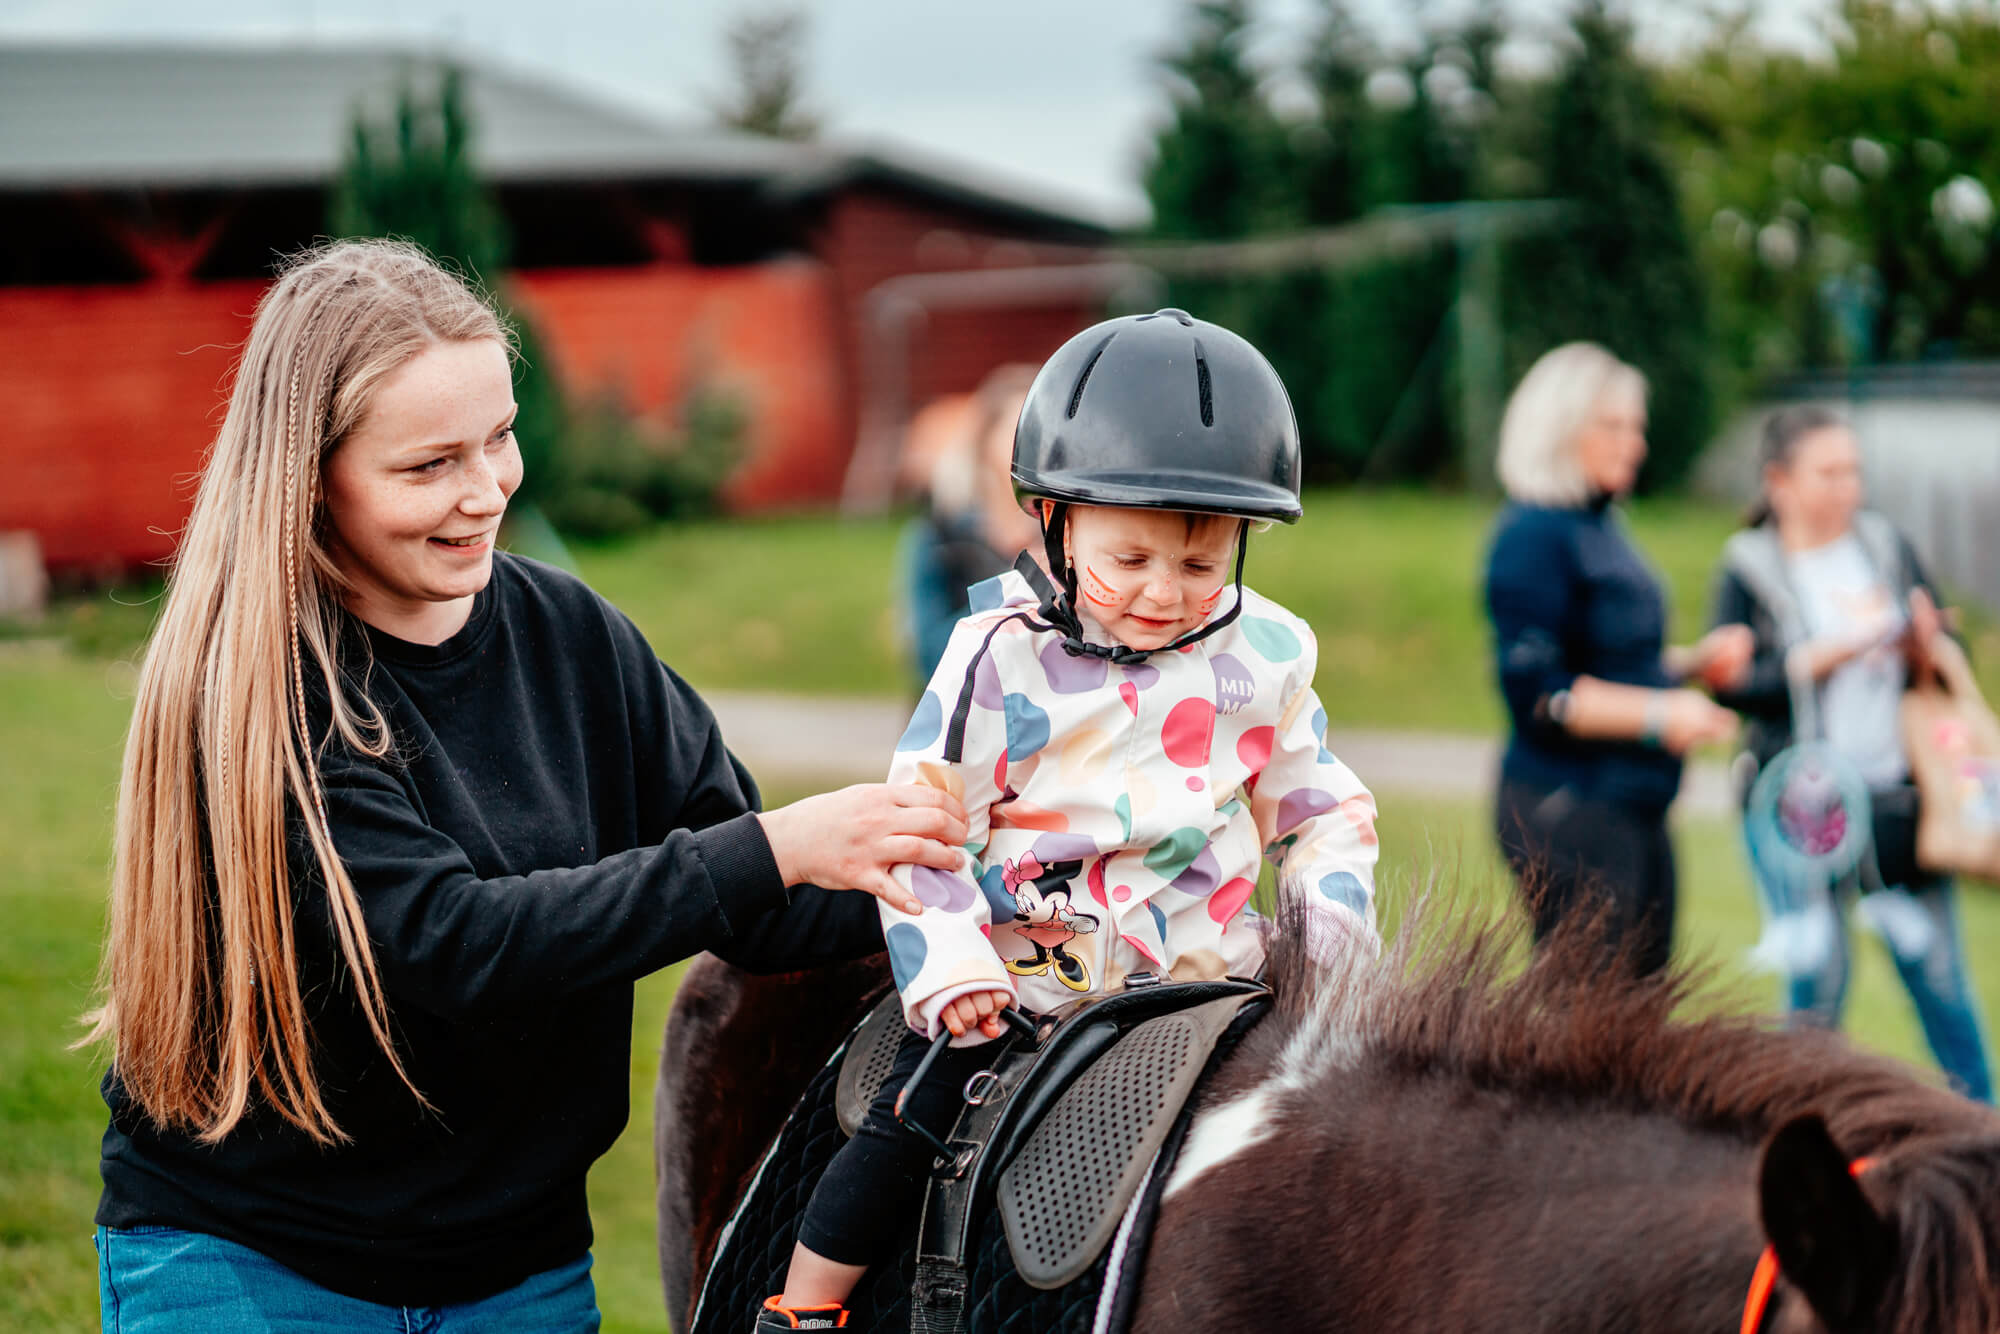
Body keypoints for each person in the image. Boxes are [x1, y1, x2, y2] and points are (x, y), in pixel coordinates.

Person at [82, 239, 971, 1332]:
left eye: (498, 437)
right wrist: (775, 843)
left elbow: (757, 902)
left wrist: (973, 877)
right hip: (253, 1265)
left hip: (519, 1272)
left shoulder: (574, 637)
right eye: (427, 465)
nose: (484, 490)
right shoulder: (265, 689)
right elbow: (455, 942)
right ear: (311, 476)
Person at [756, 310, 1382, 1330]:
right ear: (1050, 519)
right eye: (1128, 558)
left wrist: (1336, 949)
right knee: (912, 1114)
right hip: (1022, 982)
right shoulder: (994, 655)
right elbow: (923, 823)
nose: (1163, 593)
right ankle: (803, 1303)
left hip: (1209, 974)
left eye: (1198, 563)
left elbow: (1319, 811)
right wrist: (953, 964)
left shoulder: (1269, 652)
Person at [1707, 404, 1993, 1101]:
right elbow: (1732, 685)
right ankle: (1792, 1142)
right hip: (1804, 809)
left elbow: (1933, 633)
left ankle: (1984, 1135)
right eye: (1828, 472)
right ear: (1780, 480)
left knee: (1942, 981)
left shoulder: (1884, 546)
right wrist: (1817, 659)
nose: (1847, 488)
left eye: (1854, 471)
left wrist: (1921, 641)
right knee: (1817, 990)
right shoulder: (1748, 566)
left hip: (1899, 801)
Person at [1484, 342, 1748, 978]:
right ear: (1560, 427)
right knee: (1584, 1031)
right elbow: (1543, 695)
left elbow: (1608, 657)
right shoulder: (1531, 536)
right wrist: (1660, 713)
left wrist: (1685, 665)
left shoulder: (1600, 525)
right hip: (1567, 807)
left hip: (1633, 807)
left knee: (1639, 1021)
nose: (1633, 443)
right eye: (1612, 426)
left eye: (1636, 426)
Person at [898, 364, 1041, 683]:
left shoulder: (1070, 539)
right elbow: (929, 657)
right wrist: (1018, 588)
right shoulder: (940, 538)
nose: (1036, 448)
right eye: (1018, 431)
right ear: (985, 440)